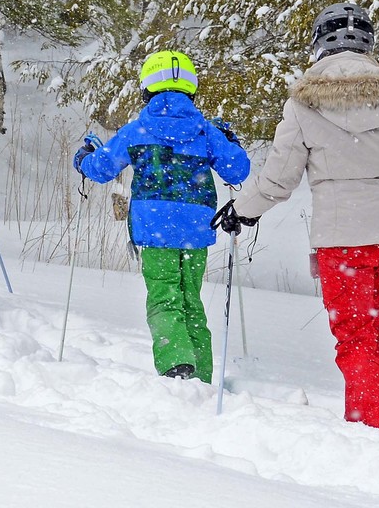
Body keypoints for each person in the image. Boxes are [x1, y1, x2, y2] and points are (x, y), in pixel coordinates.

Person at [220, 3, 379, 432]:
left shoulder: (303, 105)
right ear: (368, 43)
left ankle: (377, 430)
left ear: (319, 44)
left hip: (342, 241)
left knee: (356, 336)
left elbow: (277, 180)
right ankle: (371, 417)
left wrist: (242, 211)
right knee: (374, 332)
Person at [73, 50, 250, 382]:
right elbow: (237, 169)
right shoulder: (206, 131)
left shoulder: (138, 130)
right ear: (190, 88)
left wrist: (84, 158)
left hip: (155, 227)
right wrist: (230, 141)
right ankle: (202, 374)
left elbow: (102, 168)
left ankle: (176, 365)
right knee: (190, 298)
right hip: (196, 230)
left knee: (164, 295)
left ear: (147, 87)